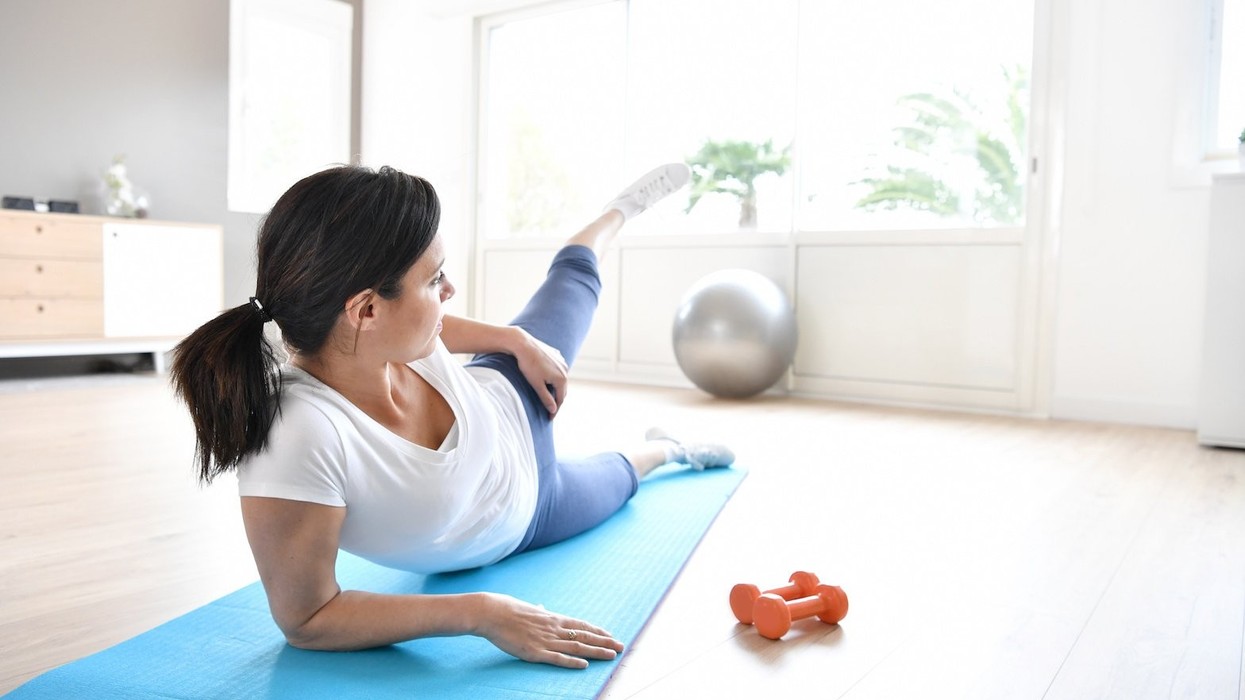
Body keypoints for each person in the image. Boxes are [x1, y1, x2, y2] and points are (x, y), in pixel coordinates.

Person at [169, 163, 735, 670]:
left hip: (514, 395)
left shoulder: (367, 332)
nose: (450, 290)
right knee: (625, 477)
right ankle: (669, 448)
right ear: (366, 309)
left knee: (575, 280)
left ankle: (618, 211)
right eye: (434, 279)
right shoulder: (299, 438)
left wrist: (516, 341)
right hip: (531, 517)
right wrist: (480, 612)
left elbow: (432, 325)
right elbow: (307, 618)